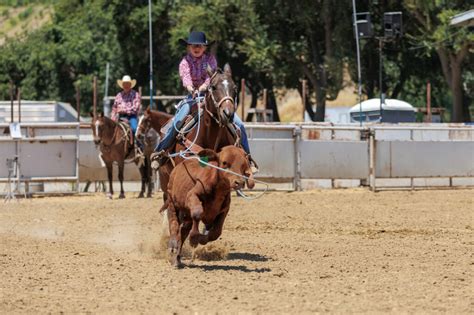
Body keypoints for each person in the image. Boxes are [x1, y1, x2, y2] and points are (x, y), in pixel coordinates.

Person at [152, 31, 255, 170]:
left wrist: (204, 86)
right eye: (193, 45)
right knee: (178, 120)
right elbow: (186, 77)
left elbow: (212, 76)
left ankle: (248, 159)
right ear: (188, 47)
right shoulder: (185, 62)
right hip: (192, 97)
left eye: (200, 45)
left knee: (240, 125)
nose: (196, 48)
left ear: (205, 47)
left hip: (212, 96)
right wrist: (190, 88)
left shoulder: (210, 60)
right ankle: (161, 151)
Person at [111, 75, 142, 151]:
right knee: (111, 130)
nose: (126, 86)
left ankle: (137, 146)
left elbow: (136, 108)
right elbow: (114, 108)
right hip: (120, 117)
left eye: (128, 84)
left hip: (131, 116)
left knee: (134, 129)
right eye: (124, 84)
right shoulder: (119, 95)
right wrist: (113, 118)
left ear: (130, 85)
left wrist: (124, 110)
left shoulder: (136, 95)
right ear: (122, 85)